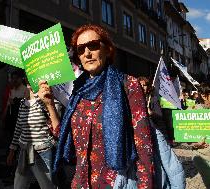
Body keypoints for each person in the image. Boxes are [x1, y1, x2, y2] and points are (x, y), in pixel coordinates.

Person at [38, 24, 185, 188]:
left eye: (93, 45)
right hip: (81, 182)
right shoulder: (78, 91)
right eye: (80, 49)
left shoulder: (128, 85)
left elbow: (144, 147)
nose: (87, 53)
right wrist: (50, 105)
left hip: (115, 182)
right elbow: (68, 139)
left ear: (107, 50)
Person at [6, 76, 62, 189]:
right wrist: (12, 150)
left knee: (47, 185)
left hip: (43, 152)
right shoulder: (23, 102)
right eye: (27, 77)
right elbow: (18, 128)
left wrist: (48, 103)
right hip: (24, 151)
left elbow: (58, 127)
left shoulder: (50, 99)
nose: (30, 80)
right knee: (19, 185)